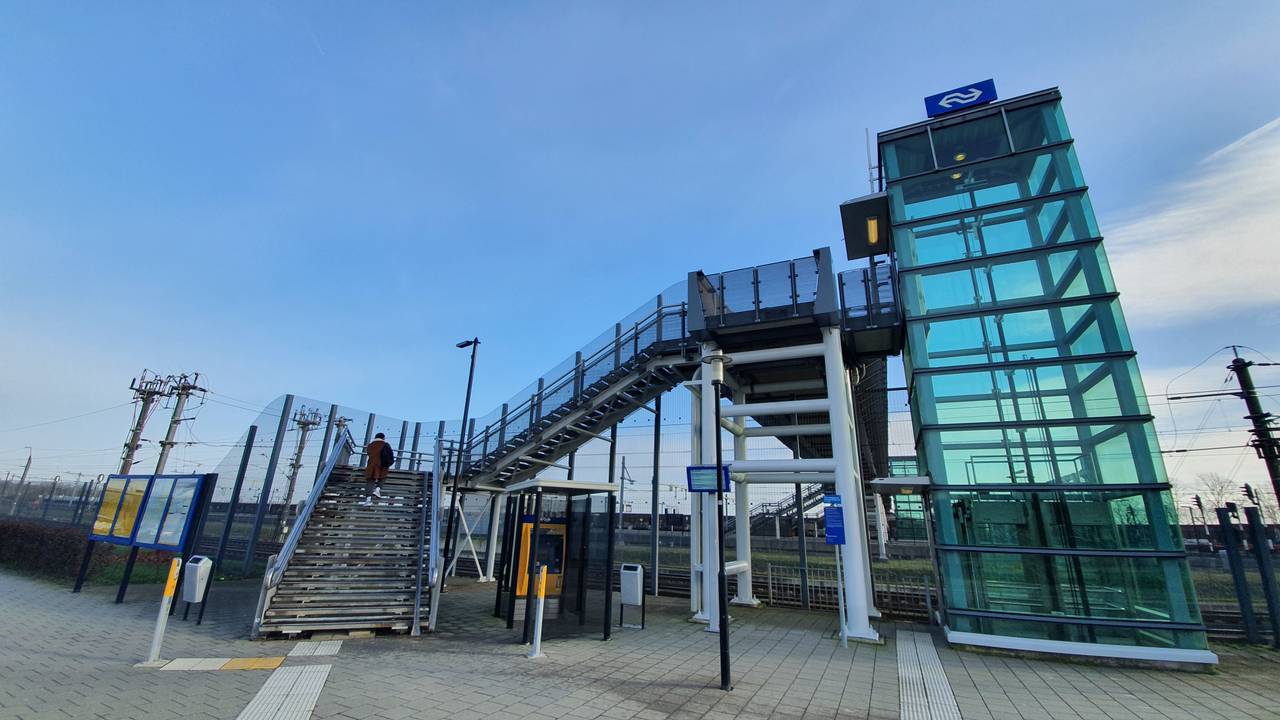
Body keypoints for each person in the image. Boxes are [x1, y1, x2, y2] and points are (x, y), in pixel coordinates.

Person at [361, 432, 396, 506]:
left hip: (371, 465)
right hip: (383, 465)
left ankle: (368, 500)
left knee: (370, 481)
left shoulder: (370, 445)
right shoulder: (385, 444)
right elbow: (390, 455)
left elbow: (369, 453)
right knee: (383, 477)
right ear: (383, 438)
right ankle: (378, 489)